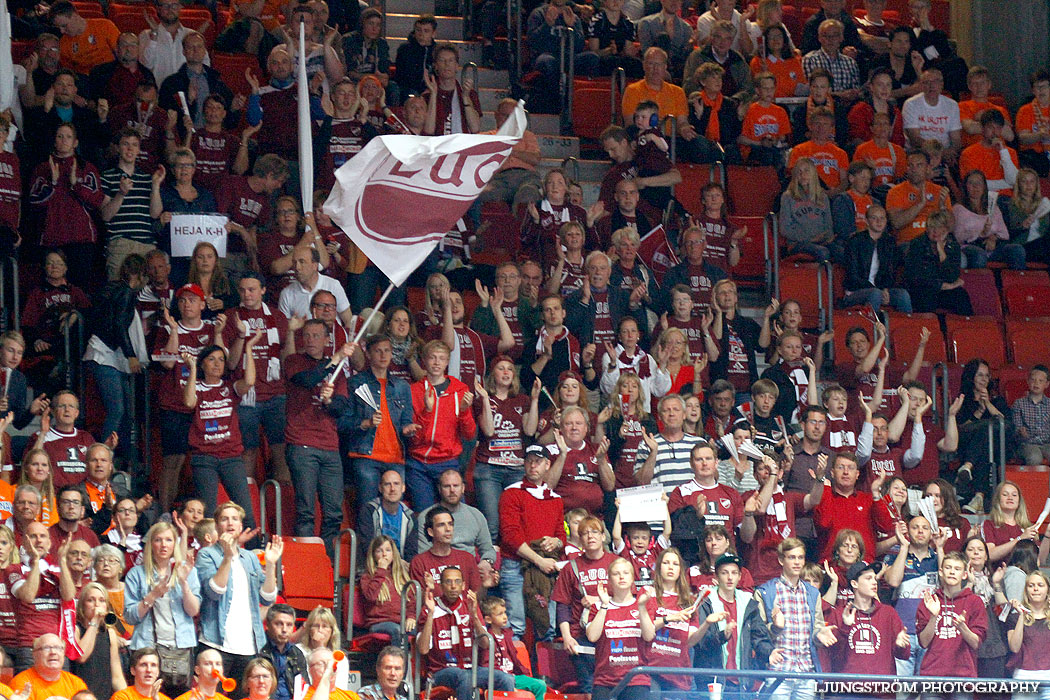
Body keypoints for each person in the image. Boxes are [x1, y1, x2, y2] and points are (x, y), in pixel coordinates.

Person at [333, 333, 418, 527]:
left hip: (395, 457)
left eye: (387, 351)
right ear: (368, 354)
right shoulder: (355, 383)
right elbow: (342, 423)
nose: (383, 355)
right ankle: (366, 555)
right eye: (378, 351)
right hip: (366, 456)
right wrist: (365, 423)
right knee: (367, 512)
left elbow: (406, 422)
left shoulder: (402, 386)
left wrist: (409, 429)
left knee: (396, 514)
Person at [181, 329, 264, 523]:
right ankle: (209, 552)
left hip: (231, 457)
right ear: (203, 363)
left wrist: (249, 348)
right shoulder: (197, 386)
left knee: (246, 514)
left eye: (221, 359)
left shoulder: (229, 386)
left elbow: (250, 381)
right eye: (211, 359)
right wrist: (192, 369)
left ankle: (253, 551)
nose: (217, 364)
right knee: (208, 515)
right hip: (204, 457)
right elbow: (188, 402)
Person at [196, 502, 283, 684]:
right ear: (217, 525)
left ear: (240, 526)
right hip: (216, 642)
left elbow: (267, 598)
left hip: (248, 645)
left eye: (235, 519)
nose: (230, 523)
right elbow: (214, 592)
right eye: (224, 519)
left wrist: (270, 565)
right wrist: (227, 558)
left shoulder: (250, 557)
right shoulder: (207, 554)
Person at [283, 323, 352, 549]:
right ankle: (306, 561)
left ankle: (328, 567)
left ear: (326, 340)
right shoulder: (294, 361)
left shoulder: (338, 369)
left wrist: (328, 400)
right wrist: (335, 358)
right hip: (302, 444)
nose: (311, 339)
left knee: (333, 513)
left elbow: (341, 408)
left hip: (330, 447)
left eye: (316, 335)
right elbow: (307, 380)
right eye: (307, 335)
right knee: (306, 511)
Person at [498, 443, 566, 639]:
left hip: (545, 568)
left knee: (548, 628)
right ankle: (513, 669)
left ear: (547, 465)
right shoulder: (512, 493)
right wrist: (539, 560)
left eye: (537, 462)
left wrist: (556, 542)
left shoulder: (555, 499)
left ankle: (545, 671)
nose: (533, 466)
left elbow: (562, 535)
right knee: (515, 626)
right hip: (517, 566)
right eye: (529, 461)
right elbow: (510, 536)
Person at [123, 522, 201, 693]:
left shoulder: (188, 571)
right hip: (147, 645)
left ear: (175, 544)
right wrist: (153, 595)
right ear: (151, 544)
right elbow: (129, 616)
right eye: (158, 540)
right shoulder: (136, 574)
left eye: (169, 540)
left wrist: (184, 583)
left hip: (180, 647)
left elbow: (193, 610)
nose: (164, 545)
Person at [755, 538, 837, 700]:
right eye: (791, 557)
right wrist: (776, 627)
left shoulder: (813, 594)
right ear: (781, 560)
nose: (797, 562)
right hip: (778, 670)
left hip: (806, 670)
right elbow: (758, 634)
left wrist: (819, 635)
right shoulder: (766, 592)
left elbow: (816, 631)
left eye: (800, 557)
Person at [417, 567, 512, 698]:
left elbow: (485, 644)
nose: (453, 586)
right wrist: (431, 614)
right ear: (441, 586)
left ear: (463, 585)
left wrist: (474, 616)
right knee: (464, 677)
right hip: (440, 672)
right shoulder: (430, 608)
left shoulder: (470, 605)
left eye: (457, 582)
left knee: (505, 679)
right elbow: (422, 649)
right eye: (448, 582)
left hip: (470, 669)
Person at [551, 515, 617, 693]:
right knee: (590, 686)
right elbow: (562, 605)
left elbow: (629, 598)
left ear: (603, 536)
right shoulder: (570, 568)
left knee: (617, 686)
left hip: (613, 633)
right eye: (585, 533)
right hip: (581, 637)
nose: (590, 536)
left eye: (595, 532)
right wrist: (567, 637)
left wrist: (599, 600)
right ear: (580, 539)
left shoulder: (616, 563)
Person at [915, 551, 988, 679]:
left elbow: (976, 643)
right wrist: (934, 616)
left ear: (965, 575)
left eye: (957, 569)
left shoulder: (974, 601)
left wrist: (962, 628)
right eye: (948, 568)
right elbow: (924, 642)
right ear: (941, 572)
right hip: (932, 675)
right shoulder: (930, 600)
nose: (952, 572)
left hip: (963, 675)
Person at [585, 558, 647, 700]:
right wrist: (605, 605)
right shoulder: (598, 607)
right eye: (616, 573)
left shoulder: (642, 605)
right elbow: (592, 637)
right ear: (609, 579)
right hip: (605, 680)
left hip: (636, 679)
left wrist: (642, 608)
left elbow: (649, 636)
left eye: (626, 573)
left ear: (633, 578)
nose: (621, 577)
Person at [842, 205, 912, 311]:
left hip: (880, 290)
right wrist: (878, 290)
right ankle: (872, 327)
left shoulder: (889, 242)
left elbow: (890, 272)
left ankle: (907, 327)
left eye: (882, 218)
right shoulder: (855, 241)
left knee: (903, 295)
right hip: (856, 291)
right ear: (866, 221)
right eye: (874, 218)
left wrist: (886, 290)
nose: (879, 221)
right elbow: (853, 276)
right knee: (875, 294)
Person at [903, 209, 972, 315]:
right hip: (922, 289)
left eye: (939, 227)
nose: (935, 231)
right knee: (926, 299)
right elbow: (915, 276)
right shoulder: (917, 244)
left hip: (942, 289)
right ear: (926, 229)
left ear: (946, 230)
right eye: (932, 227)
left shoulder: (952, 245)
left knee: (961, 296)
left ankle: (967, 328)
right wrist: (942, 285)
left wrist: (942, 253)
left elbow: (952, 276)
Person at [953, 169, 1024, 270]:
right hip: (969, 247)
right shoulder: (959, 209)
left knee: (1017, 249)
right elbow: (958, 237)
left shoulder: (993, 208)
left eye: (979, 183)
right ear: (966, 186)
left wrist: (993, 238)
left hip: (992, 248)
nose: (975, 186)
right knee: (979, 255)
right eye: (971, 183)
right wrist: (981, 234)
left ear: (984, 186)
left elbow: (1005, 234)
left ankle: (1016, 284)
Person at [358, 536, 416, 648]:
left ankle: (413, 664)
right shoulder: (367, 577)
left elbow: (411, 601)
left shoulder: (402, 577)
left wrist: (411, 617)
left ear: (393, 553)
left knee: (420, 632)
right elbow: (371, 596)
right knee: (396, 630)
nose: (384, 554)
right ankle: (397, 662)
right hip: (378, 623)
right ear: (374, 555)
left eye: (388, 550)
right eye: (379, 551)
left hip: (401, 621)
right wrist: (381, 571)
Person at [779, 158, 835, 262]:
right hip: (798, 243)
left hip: (822, 241)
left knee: (843, 251)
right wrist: (808, 238)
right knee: (823, 252)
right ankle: (821, 278)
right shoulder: (788, 197)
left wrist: (828, 237)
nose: (802, 175)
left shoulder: (823, 196)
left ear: (813, 174)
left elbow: (828, 223)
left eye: (806, 171)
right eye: (799, 172)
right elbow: (784, 229)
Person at [903, 68, 962, 161]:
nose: (931, 86)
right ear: (922, 85)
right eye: (927, 82)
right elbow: (914, 139)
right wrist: (939, 153)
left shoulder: (952, 105)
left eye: (936, 81)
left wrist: (951, 152)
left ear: (942, 84)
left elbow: (956, 140)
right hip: (920, 155)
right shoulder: (911, 104)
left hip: (945, 156)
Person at [959, 108, 1019, 196]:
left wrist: (1003, 152)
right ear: (982, 128)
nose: (994, 132)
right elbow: (975, 185)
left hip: (1007, 198)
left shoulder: (1009, 152)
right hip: (982, 198)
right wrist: (1006, 185)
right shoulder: (968, 153)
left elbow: (1013, 181)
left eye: (998, 128)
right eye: (990, 127)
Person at [49, 1, 119, 75]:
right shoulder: (63, 44)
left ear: (75, 16)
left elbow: (120, 53)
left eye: (64, 26)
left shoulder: (105, 26)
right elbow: (69, 72)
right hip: (87, 80)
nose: (61, 31)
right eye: (58, 27)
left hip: (112, 73)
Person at [12, 633, 88, 700]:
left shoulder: (75, 683)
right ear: (34, 654)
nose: (53, 652)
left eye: (58, 648)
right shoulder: (22, 683)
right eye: (46, 648)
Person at [801, 19, 861, 102]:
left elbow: (856, 90)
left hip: (847, 107)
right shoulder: (810, 60)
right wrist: (839, 95)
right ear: (819, 38)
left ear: (841, 38)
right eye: (825, 36)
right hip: (820, 108)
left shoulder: (850, 62)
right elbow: (812, 90)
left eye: (835, 35)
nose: (830, 39)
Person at [258, 604, 308, 700]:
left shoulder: (297, 653)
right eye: (279, 624)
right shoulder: (259, 650)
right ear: (267, 624)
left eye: (289, 625)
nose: (284, 630)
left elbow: (305, 687)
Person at [1013, 365, 1050, 467]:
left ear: (1047, 384)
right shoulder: (1019, 404)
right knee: (1034, 457)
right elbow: (1016, 427)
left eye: (1040, 381)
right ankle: (1034, 482)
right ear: (1028, 381)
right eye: (1033, 380)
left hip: (1047, 443)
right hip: (1027, 443)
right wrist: (1021, 432)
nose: (1036, 383)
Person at [1016, 70, 1050, 178]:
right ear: (1032, 91)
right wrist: (1040, 135)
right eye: (1037, 87)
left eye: (1044, 86)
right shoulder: (1025, 110)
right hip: (1034, 159)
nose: (1041, 91)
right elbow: (1023, 139)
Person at [393, 15, 436, 98]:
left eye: (426, 31)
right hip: (408, 90)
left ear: (433, 33)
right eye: (418, 30)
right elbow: (401, 78)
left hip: (431, 90)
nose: (421, 34)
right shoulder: (405, 50)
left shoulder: (437, 52)